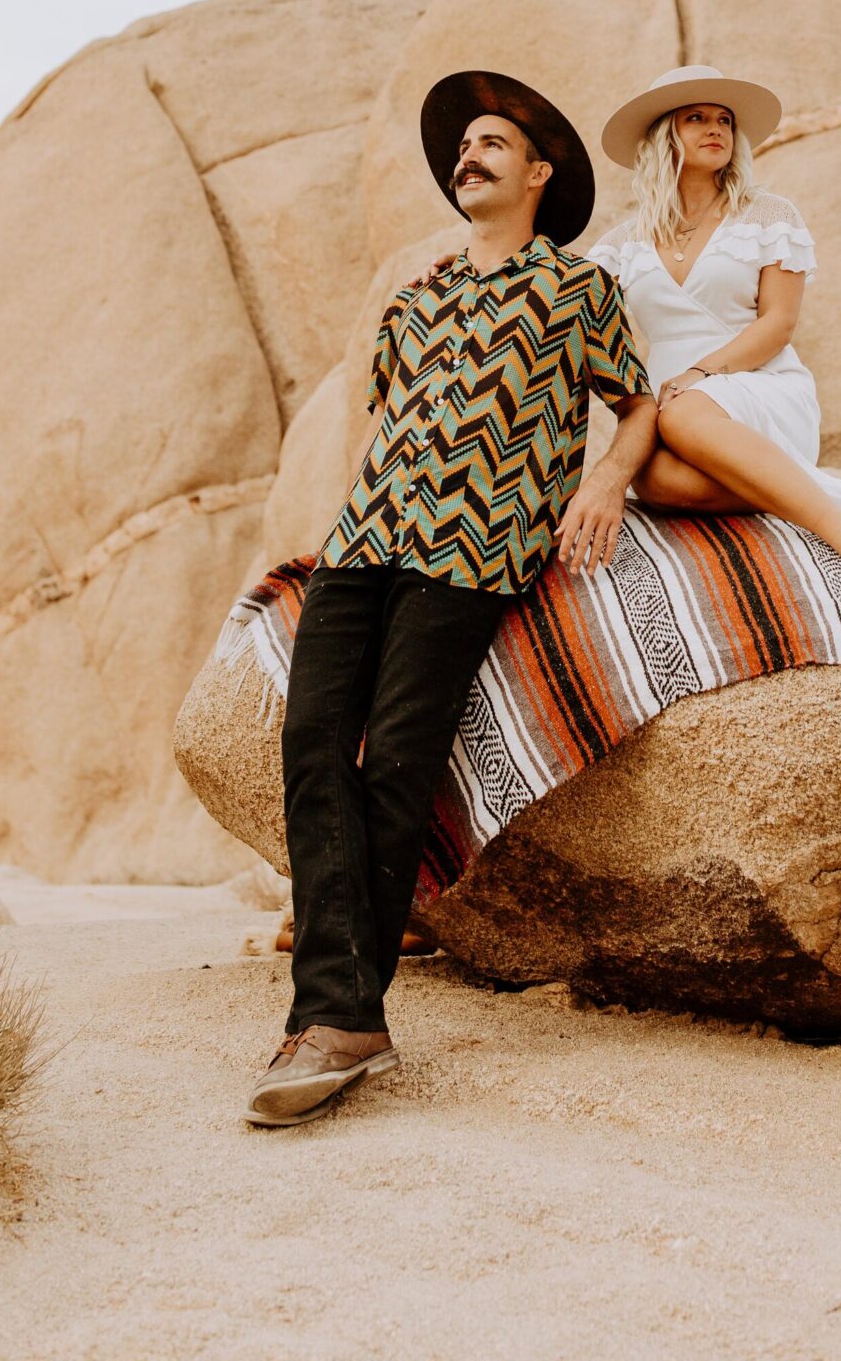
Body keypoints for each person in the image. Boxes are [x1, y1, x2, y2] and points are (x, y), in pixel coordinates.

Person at [247, 70, 656, 1128]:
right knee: (310, 744)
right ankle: (346, 1013)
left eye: (490, 145)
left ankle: (334, 1018)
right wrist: (338, 522)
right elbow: (382, 422)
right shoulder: (417, 296)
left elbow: (639, 404)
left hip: (472, 552)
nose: (468, 159)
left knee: (398, 763)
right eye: (462, 148)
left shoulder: (578, 289)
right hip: (367, 539)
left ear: (538, 172)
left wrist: (606, 479)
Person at [587, 64, 841, 616]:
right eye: (696, 118)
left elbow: (777, 325)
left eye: (724, 120)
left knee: (680, 413)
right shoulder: (620, 245)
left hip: (756, 382)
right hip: (673, 406)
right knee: (652, 480)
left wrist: (701, 375)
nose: (716, 129)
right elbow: (560, 297)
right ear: (662, 136)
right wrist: (465, 268)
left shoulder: (768, 216)